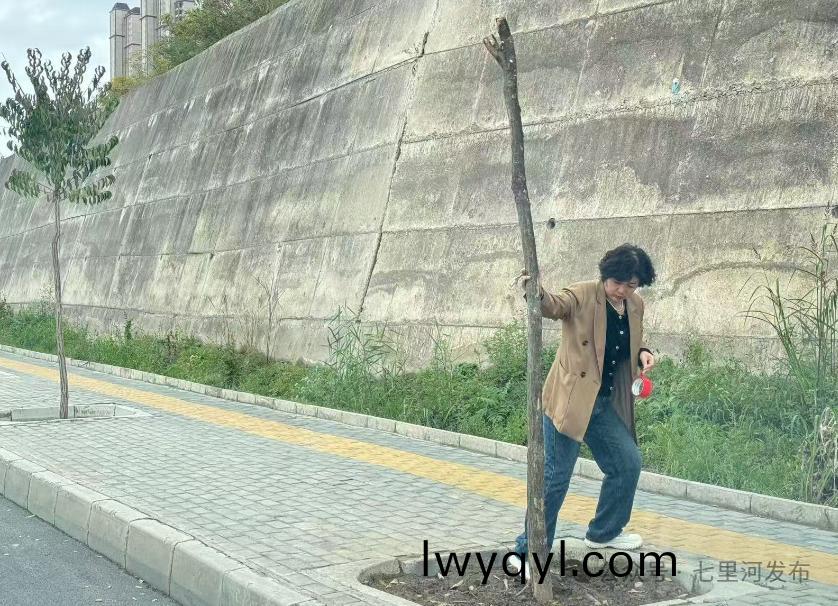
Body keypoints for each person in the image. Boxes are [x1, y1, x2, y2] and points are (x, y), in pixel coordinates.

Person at [508, 243, 657, 579]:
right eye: (617, 282)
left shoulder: (634, 305)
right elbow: (553, 305)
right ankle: (526, 552)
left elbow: (627, 340)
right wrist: (536, 291)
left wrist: (642, 352)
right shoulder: (583, 294)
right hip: (570, 401)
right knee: (555, 478)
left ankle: (604, 532)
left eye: (632, 285)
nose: (623, 291)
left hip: (602, 404)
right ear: (605, 275)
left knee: (627, 463)